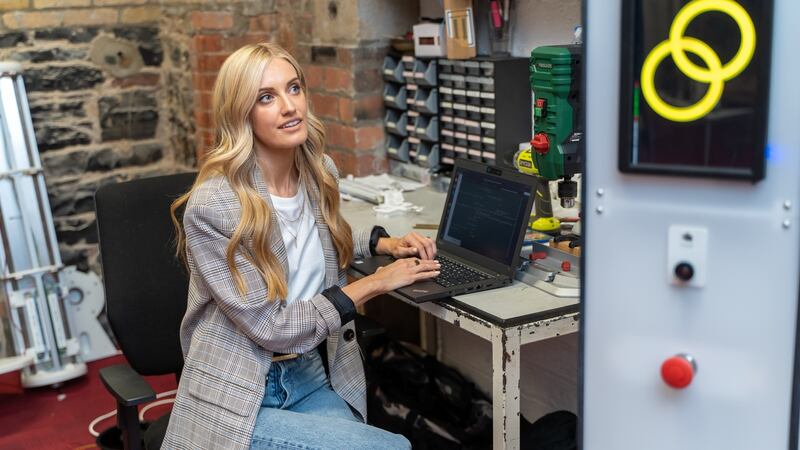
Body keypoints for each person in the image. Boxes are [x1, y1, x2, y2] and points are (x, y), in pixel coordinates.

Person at [162, 42, 441, 450]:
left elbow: (315, 240)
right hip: (241, 392)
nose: (289, 106)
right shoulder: (215, 206)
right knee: (392, 448)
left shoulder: (316, 172)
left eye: (294, 88)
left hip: (308, 374)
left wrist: (385, 243)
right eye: (266, 97)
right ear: (241, 113)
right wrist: (375, 283)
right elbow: (272, 328)